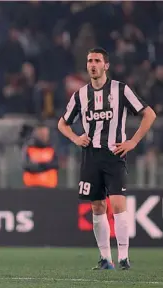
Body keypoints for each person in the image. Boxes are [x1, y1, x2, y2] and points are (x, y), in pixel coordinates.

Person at [58, 47, 156, 270]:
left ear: (106, 65)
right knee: (97, 206)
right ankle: (105, 259)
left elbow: (149, 113)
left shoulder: (121, 90)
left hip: (114, 154)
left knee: (118, 204)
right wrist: (75, 138)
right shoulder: (80, 95)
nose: (92, 64)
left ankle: (123, 258)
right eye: (89, 61)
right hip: (91, 155)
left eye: (97, 61)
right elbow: (62, 123)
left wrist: (133, 142)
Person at [22, 124, 59, 188]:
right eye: (41, 134)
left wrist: (41, 165)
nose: (44, 136)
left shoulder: (51, 149)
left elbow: (55, 164)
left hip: (49, 186)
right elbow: (26, 165)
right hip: (31, 186)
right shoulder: (29, 148)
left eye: (45, 134)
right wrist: (43, 166)